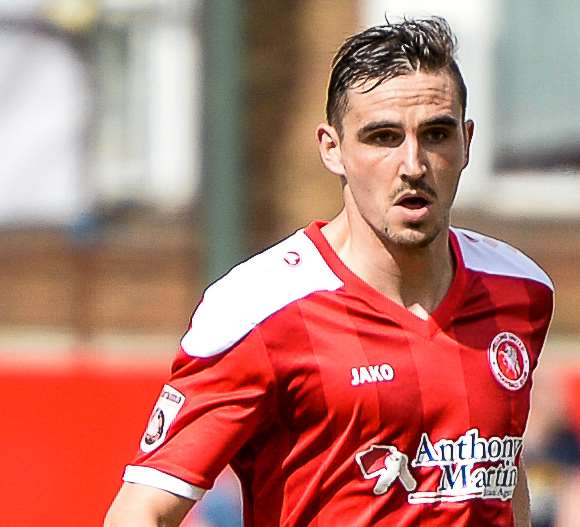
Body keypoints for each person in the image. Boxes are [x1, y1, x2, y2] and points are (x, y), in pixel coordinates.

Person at [104, 17, 554, 527]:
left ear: (467, 142)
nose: (413, 164)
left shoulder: (519, 290)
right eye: (383, 137)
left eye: (436, 134)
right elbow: (142, 510)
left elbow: (498, 473)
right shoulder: (259, 308)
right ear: (331, 148)